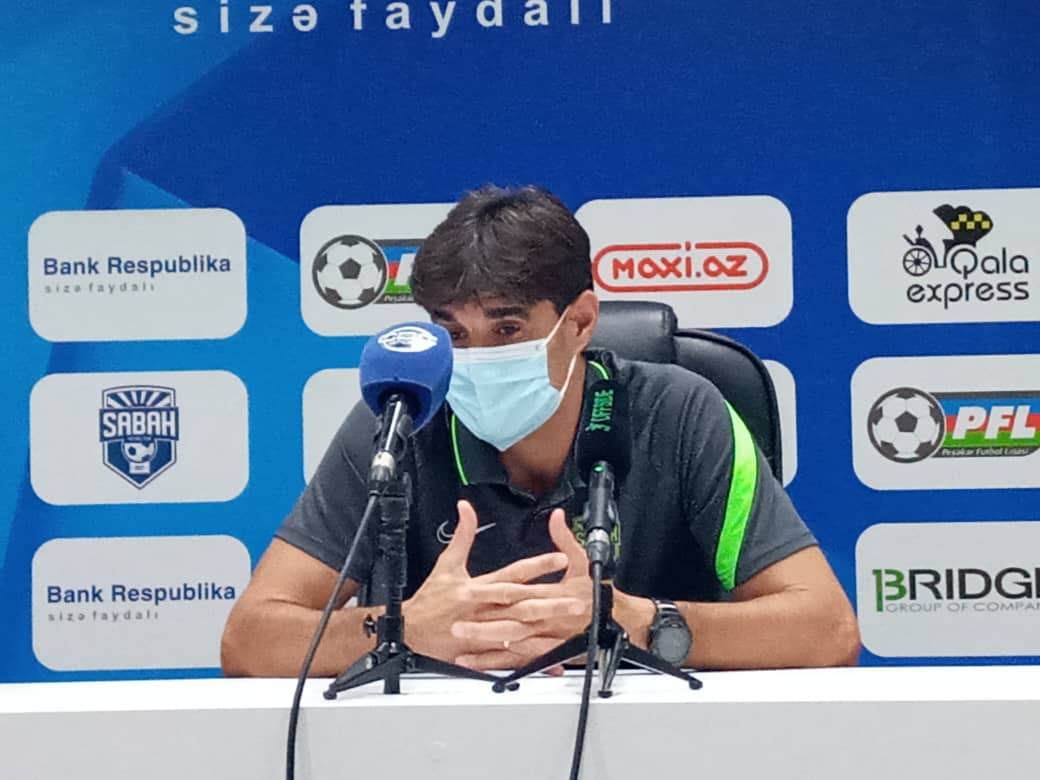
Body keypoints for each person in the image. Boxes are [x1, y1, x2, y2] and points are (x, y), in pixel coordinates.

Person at [221, 186, 860, 677]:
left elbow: (828, 629)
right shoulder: (401, 416)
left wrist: (632, 622)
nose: (474, 358)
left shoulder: (681, 411)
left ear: (580, 322)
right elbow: (248, 640)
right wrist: (402, 629)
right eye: (453, 333)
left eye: (506, 329)